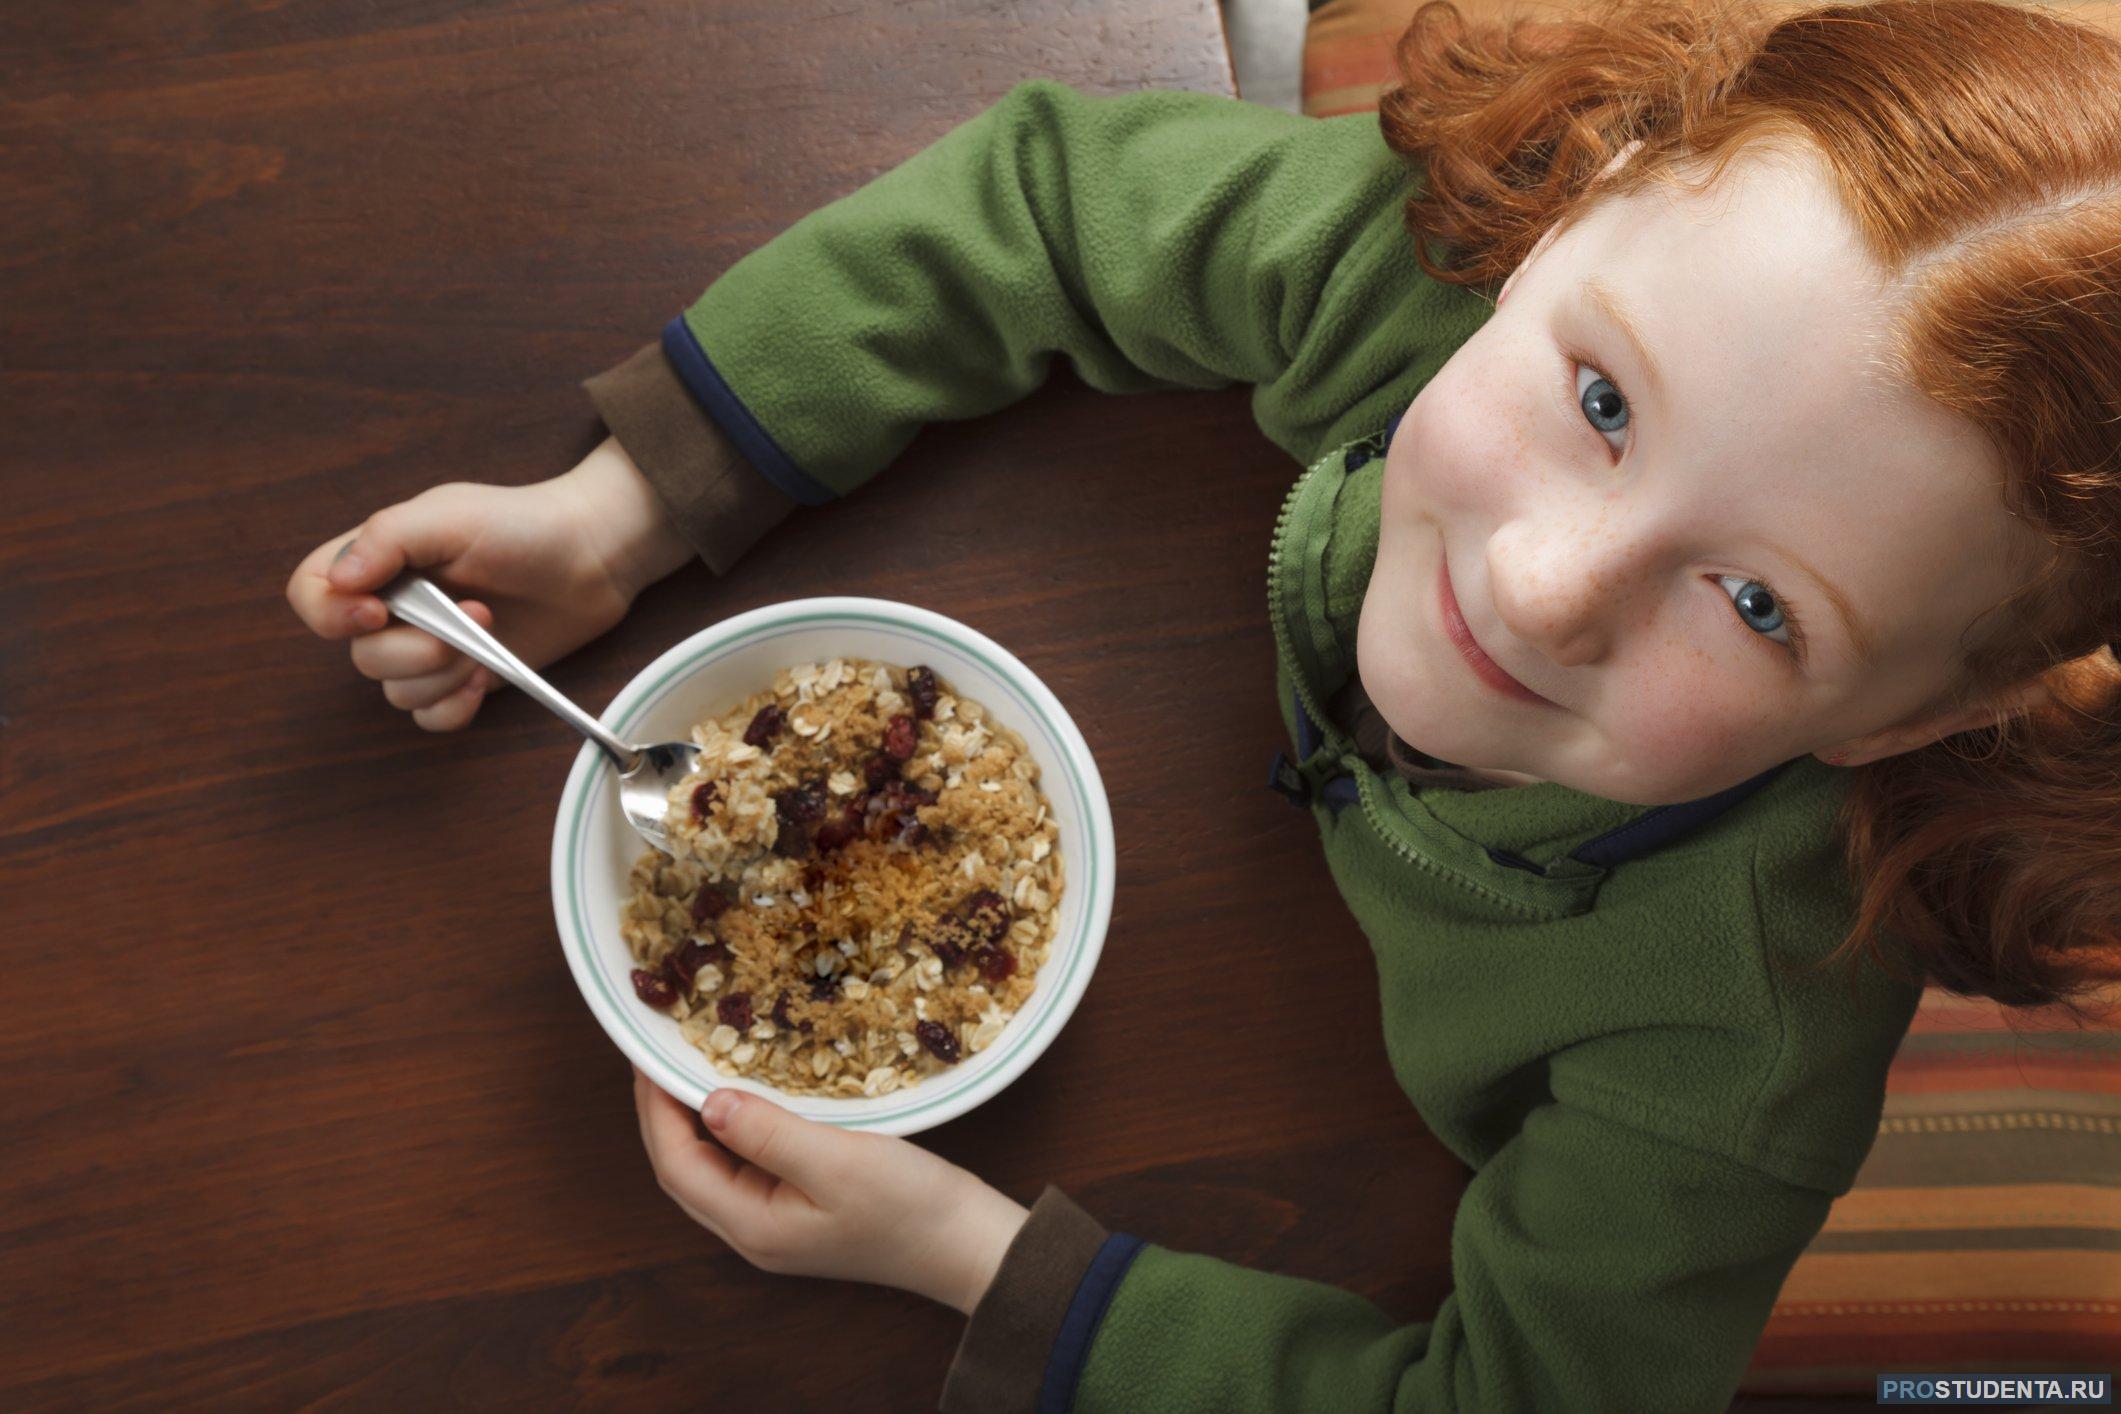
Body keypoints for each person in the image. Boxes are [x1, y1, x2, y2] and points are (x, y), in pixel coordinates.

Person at [284, 0, 2121, 1406]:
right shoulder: (1422, 282)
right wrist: (622, 510)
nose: (1541, 586)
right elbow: (1053, 207)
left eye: (1754, 602)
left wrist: (987, 1267)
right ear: (1583, 208)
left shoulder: (1734, 1055)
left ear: (1901, 718)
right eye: (1603, 400)